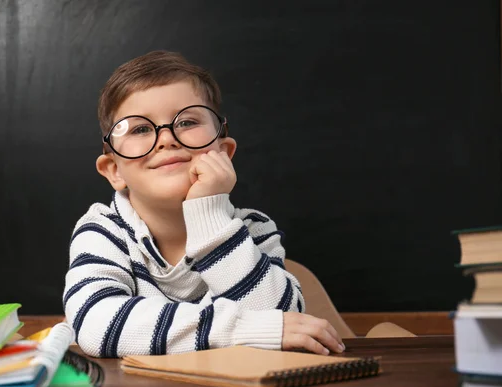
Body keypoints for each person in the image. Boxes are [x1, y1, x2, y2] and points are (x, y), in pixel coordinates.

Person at [63, 50, 345, 358]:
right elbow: (98, 326)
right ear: (115, 171)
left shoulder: (254, 229)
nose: (167, 138)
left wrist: (208, 212)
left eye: (186, 121)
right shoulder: (103, 232)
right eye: (140, 129)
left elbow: (282, 318)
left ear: (223, 151)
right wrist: (243, 330)